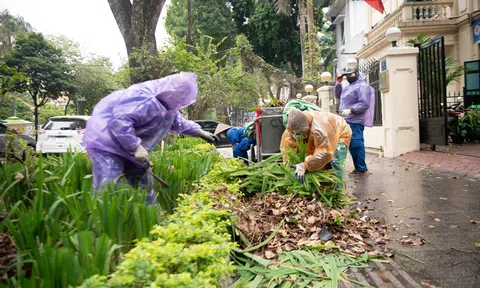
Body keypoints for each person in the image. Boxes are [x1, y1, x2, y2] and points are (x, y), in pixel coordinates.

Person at [83, 72, 217, 203]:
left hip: (131, 150)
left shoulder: (168, 110)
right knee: (108, 186)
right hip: (108, 146)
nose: (181, 99)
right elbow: (120, 120)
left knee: (143, 186)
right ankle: (104, 220)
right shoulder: (145, 99)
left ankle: (150, 217)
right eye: (181, 95)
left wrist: (200, 132)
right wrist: (135, 146)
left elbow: (180, 123)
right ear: (172, 90)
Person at [280, 108, 352, 183]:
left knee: (335, 160)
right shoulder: (290, 130)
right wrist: (289, 168)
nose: (297, 136)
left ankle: (337, 187)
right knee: (316, 159)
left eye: (302, 134)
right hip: (322, 133)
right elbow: (287, 150)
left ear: (309, 126)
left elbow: (325, 153)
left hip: (340, 132)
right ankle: (324, 183)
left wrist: (305, 165)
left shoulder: (320, 129)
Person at [335, 67, 375, 175]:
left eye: (350, 75)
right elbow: (337, 95)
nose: (348, 77)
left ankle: (361, 168)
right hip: (346, 119)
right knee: (349, 144)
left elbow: (364, 104)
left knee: (356, 143)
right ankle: (358, 167)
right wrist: (338, 82)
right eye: (346, 75)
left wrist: (351, 110)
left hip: (356, 120)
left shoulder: (362, 86)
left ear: (357, 73)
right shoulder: (348, 86)